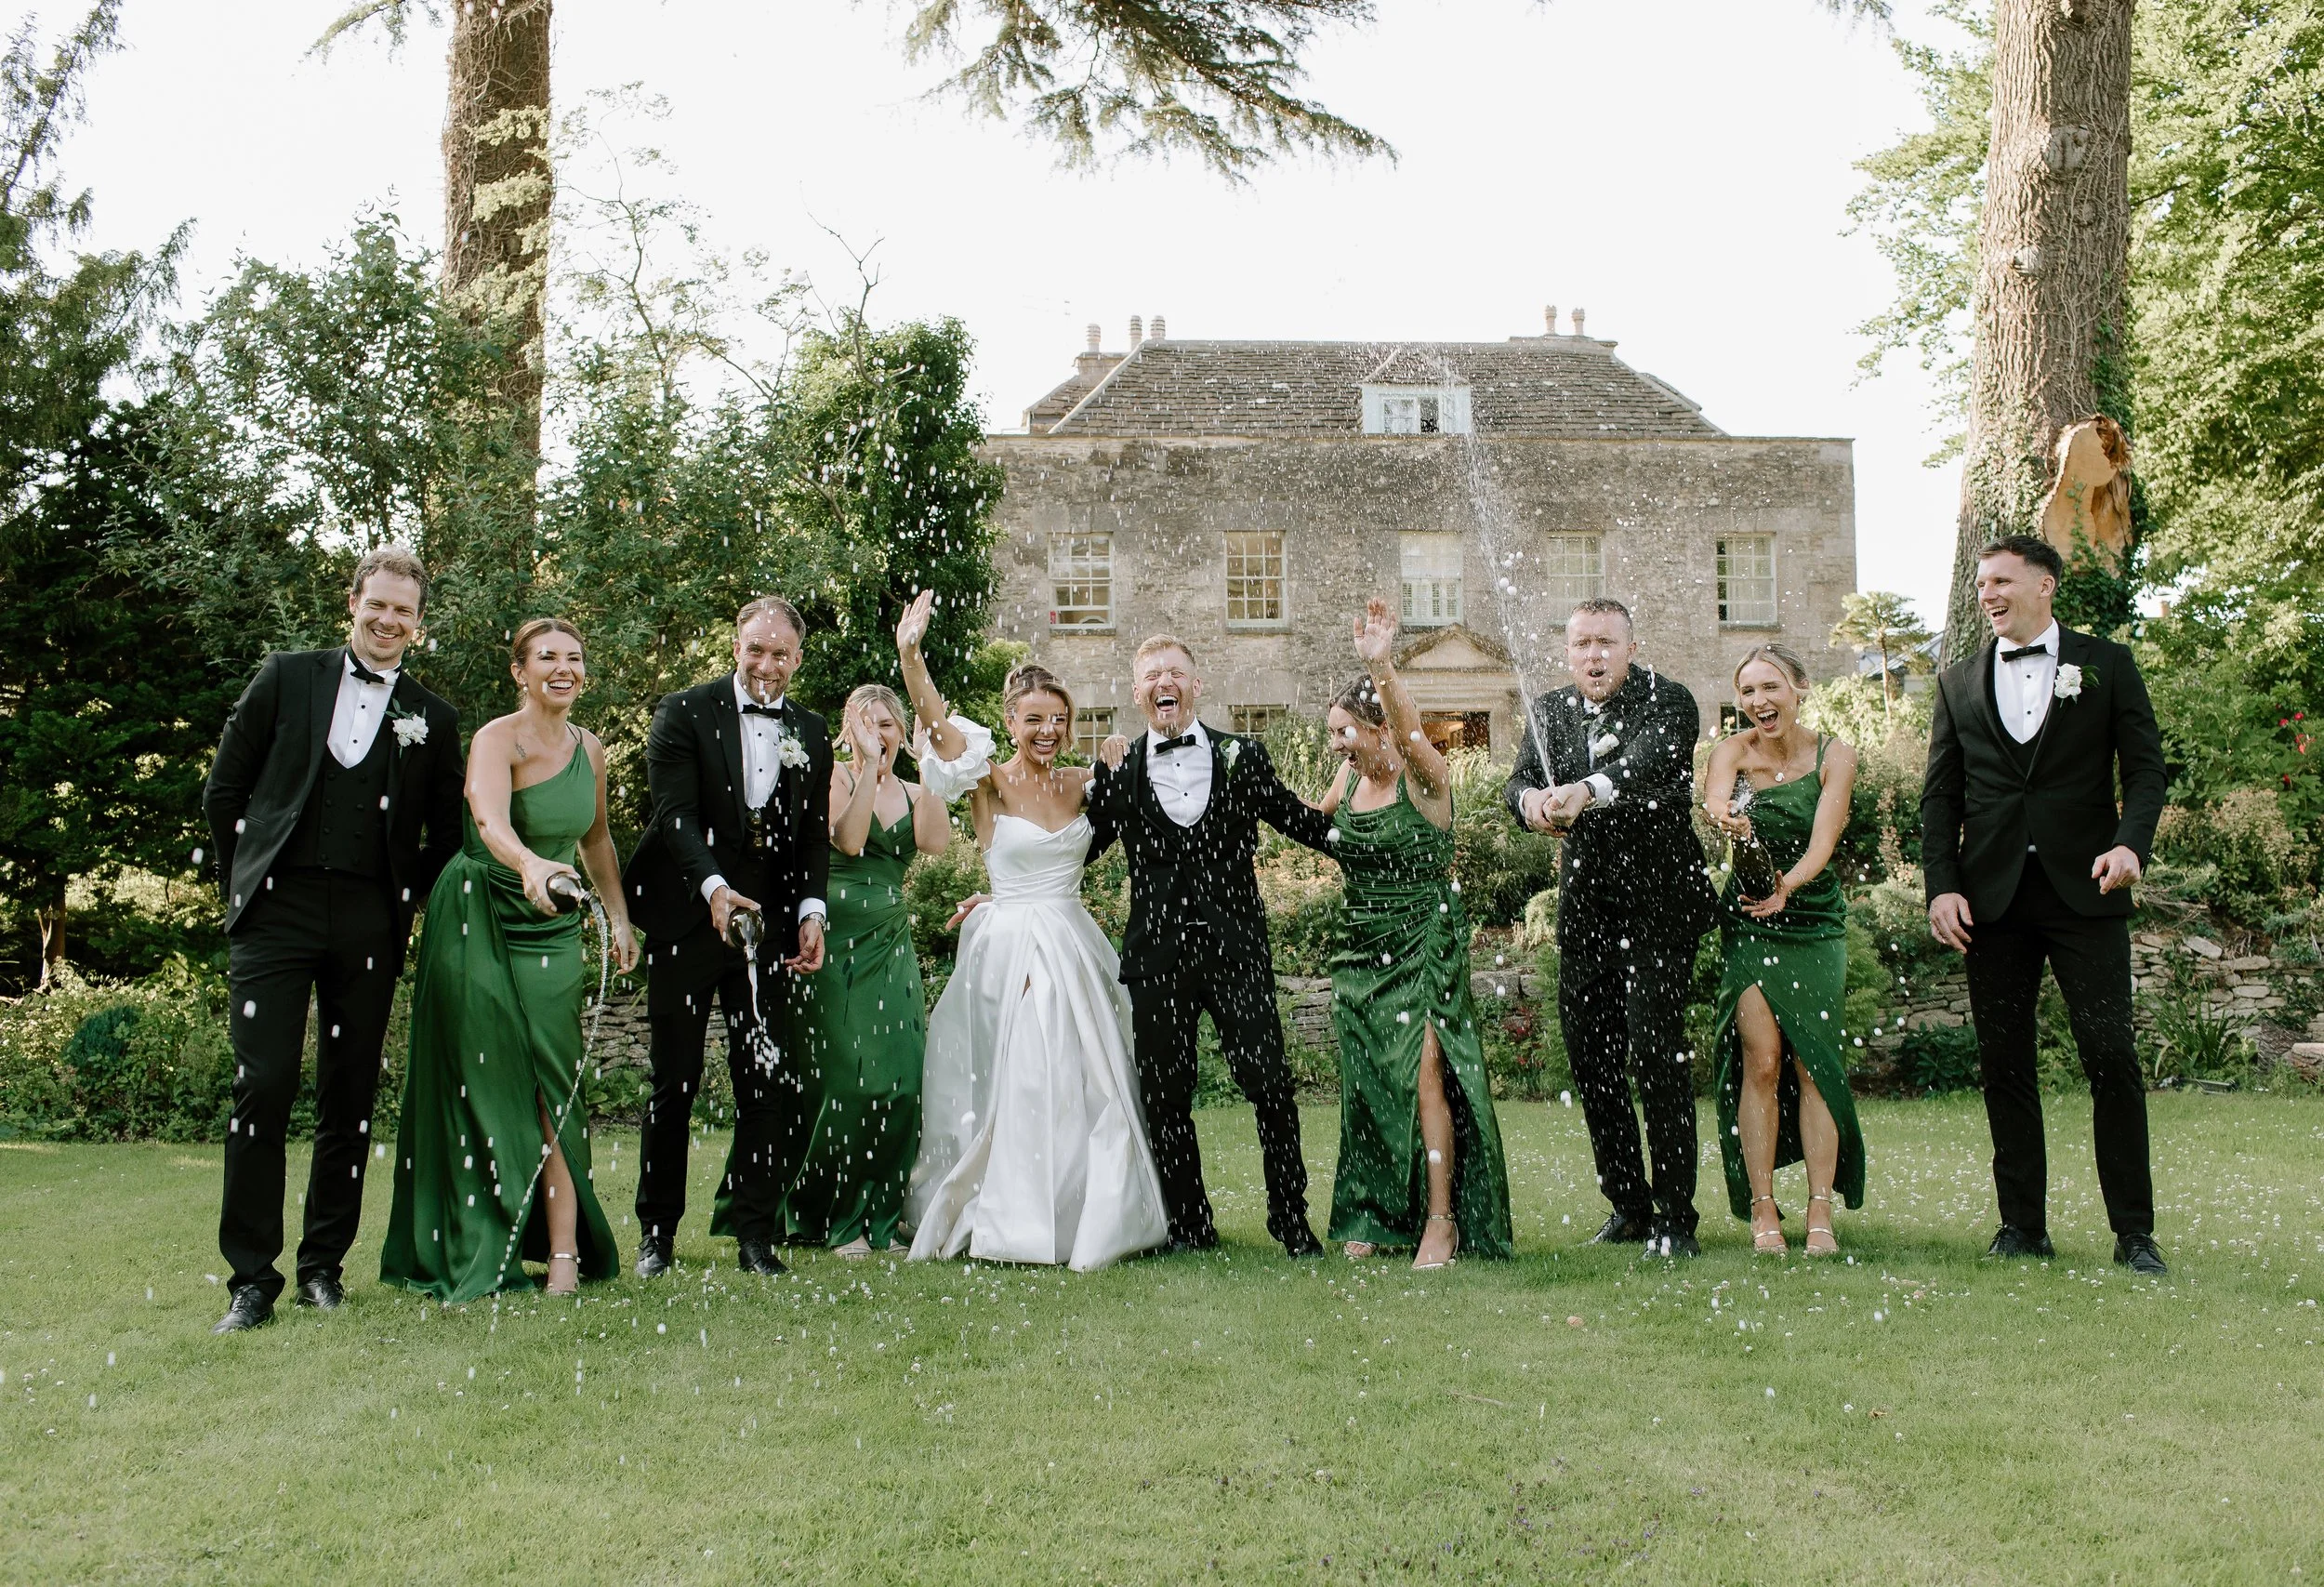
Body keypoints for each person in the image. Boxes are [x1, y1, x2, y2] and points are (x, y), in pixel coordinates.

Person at [201, 547, 466, 1333]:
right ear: (352, 603)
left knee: (348, 1095)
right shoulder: (287, 675)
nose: (388, 621)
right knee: (265, 1085)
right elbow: (225, 788)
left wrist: (406, 903)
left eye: (403, 612)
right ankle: (252, 1278)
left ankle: (323, 1266)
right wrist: (243, 882)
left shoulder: (434, 715)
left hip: (368, 920)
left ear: (418, 625)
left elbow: (446, 836)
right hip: (275, 913)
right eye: (376, 605)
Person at [893, 591, 1168, 1270]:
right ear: (1011, 722)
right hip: (1009, 947)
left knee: (1089, 1078)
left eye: (1061, 720)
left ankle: (1086, 1214)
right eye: (1035, 719)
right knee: (1017, 1078)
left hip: (1072, 941)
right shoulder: (986, 784)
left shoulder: (1083, 782)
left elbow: (1148, 820)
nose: (1049, 730)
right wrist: (911, 657)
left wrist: (1117, 761)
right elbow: (939, 729)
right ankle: (1011, 1215)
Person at [1922, 535, 2169, 1274]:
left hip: (2086, 891)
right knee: (2003, 1063)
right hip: (1990, 898)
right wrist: (1942, 885)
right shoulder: (1958, 679)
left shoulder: (2107, 665)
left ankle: (2134, 1233)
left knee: (2111, 1056)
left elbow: (2148, 769)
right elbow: (1941, 797)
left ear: (2045, 585)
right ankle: (2021, 1225)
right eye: (1979, 585)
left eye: (2000, 581)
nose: (1987, 595)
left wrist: (2131, 844)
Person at [379, 619, 640, 1302]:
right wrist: (528, 863)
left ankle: (562, 1253)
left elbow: (598, 840)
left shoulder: (592, 748)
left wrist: (618, 914)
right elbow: (488, 818)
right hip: (479, 916)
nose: (563, 667)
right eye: (546, 657)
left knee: (556, 1086)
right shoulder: (497, 739)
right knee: (483, 1082)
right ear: (519, 672)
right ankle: (473, 1241)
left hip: (553, 932)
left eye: (574, 658)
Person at [1084, 635, 1338, 1259]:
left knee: (1271, 1087)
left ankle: (1291, 1218)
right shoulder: (1118, 768)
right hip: (1158, 960)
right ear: (1137, 691)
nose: (1162, 682)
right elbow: (1078, 853)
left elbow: (1296, 819)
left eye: (1175, 672)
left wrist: (1374, 836)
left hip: (1236, 953)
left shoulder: (1242, 755)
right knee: (1166, 1099)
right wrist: (1009, 893)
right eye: (1151, 675)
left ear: (1197, 686)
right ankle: (1190, 1223)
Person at [622, 597, 830, 1280]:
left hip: (765, 933)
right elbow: (676, 817)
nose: (767, 664)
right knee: (673, 1083)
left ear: (798, 658)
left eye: (781, 654)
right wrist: (715, 890)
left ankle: (754, 1234)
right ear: (736, 647)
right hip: (687, 918)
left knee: (763, 1079)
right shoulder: (684, 712)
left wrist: (810, 912)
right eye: (756, 650)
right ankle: (657, 1234)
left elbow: (809, 841)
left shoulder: (811, 730)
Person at [1506, 597, 1716, 1256]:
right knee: (1591, 1055)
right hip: (1589, 908)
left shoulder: (1670, 700)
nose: (1593, 655)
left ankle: (1677, 1215)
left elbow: (1648, 762)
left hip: (1660, 906)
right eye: (1581, 644)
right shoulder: (1549, 711)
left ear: (1630, 645)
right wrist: (1533, 801)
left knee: (1656, 1049)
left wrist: (1585, 790)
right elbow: (1515, 783)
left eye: (1605, 642)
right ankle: (1629, 1203)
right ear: (1567, 652)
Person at [1316, 600, 1514, 1268]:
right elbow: (1310, 826)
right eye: (1333, 733)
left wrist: (1381, 663)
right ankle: (1371, 1207)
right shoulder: (1345, 778)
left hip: (1424, 937)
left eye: (1346, 731)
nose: (1337, 744)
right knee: (1370, 1075)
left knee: (1427, 1067)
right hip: (1360, 940)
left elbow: (1410, 730)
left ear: (1379, 729)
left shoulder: (1425, 777)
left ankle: (1441, 1217)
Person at [1700, 644, 1865, 1256]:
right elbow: (1716, 800)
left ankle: (1820, 1206)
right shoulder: (1732, 752)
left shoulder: (1835, 756)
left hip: (1815, 921)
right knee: (1761, 1058)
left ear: (1800, 688)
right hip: (1749, 921)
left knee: (1813, 1063)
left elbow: (1824, 839)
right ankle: (1763, 1205)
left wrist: (1787, 885)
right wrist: (1729, 822)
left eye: (1770, 687)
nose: (1758, 702)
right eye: (1747, 691)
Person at [777, 684, 950, 1258]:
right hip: (833, 941)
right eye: (867, 725)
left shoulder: (913, 787)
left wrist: (930, 771)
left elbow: (936, 843)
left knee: (902, 1081)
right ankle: (838, 1218)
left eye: (889, 725)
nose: (881, 735)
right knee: (848, 1081)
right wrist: (866, 770)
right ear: (849, 732)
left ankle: (882, 1212)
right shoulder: (834, 780)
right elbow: (848, 841)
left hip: (889, 940)